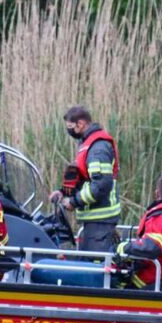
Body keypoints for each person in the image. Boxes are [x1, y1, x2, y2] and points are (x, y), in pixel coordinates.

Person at [49, 106, 121, 253]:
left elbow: (101, 185)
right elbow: (83, 177)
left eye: (70, 127)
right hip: (94, 221)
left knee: (95, 267)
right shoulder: (87, 143)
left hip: (101, 219)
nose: (69, 131)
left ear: (80, 124)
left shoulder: (97, 148)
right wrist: (64, 192)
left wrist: (74, 202)